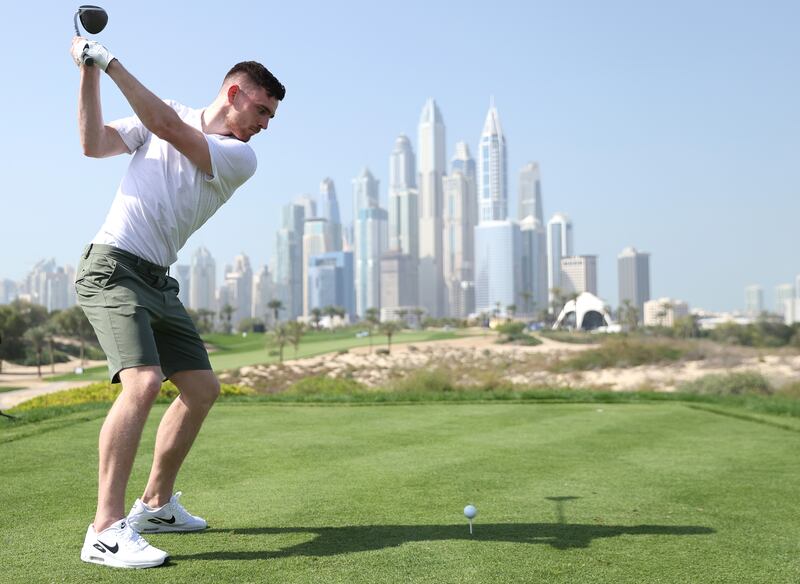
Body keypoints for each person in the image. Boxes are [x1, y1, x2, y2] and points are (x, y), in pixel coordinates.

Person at [70, 37, 285, 569]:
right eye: (261, 109)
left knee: (201, 389)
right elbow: (93, 144)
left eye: (270, 116)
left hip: (158, 281)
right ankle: (103, 530)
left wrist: (108, 60)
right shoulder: (162, 115)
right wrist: (89, 73)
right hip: (113, 266)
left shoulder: (240, 156)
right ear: (234, 93)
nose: (264, 123)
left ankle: (157, 505)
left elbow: (168, 128)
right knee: (142, 382)